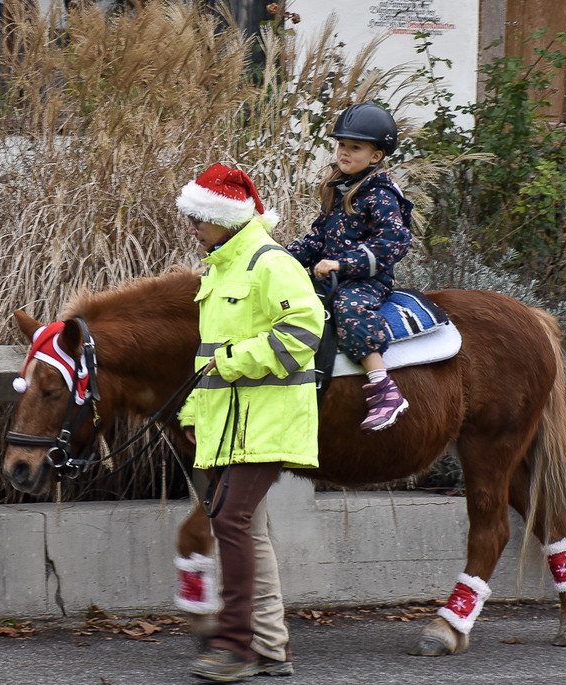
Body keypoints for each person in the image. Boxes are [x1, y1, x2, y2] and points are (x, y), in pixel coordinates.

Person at [176, 163, 324, 682]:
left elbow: (307, 327)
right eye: (189, 217)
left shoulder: (270, 262)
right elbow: (207, 356)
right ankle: (269, 647)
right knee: (247, 528)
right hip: (231, 423)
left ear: (227, 218)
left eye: (198, 218)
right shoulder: (219, 269)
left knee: (230, 521)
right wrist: (194, 412)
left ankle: (236, 646)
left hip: (270, 420)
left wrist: (238, 360)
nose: (191, 227)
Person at [287, 101, 414, 432]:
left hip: (366, 280)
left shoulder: (382, 194)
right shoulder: (337, 187)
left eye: (354, 147)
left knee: (349, 307)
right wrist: (281, 258)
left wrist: (342, 264)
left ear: (375, 156)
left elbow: (393, 244)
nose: (344, 152)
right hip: (333, 276)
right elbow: (317, 239)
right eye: (342, 145)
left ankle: (383, 387)